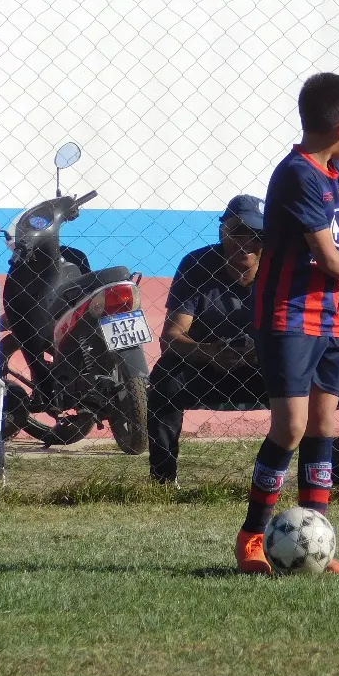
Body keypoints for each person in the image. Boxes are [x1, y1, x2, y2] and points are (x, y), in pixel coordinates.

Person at [235, 72, 339, 575]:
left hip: (328, 319)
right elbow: (328, 257)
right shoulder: (298, 174)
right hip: (288, 316)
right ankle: (252, 536)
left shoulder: (338, 172)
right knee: (290, 428)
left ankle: (317, 541)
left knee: (322, 426)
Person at [147, 195, 269, 485]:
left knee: (311, 376)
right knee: (164, 380)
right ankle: (162, 480)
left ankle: (294, 478)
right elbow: (171, 337)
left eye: (256, 235)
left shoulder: (279, 269)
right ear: (222, 232)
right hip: (205, 365)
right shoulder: (197, 265)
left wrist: (260, 353)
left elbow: (297, 333)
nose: (246, 242)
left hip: (265, 365)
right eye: (236, 232)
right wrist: (210, 353)